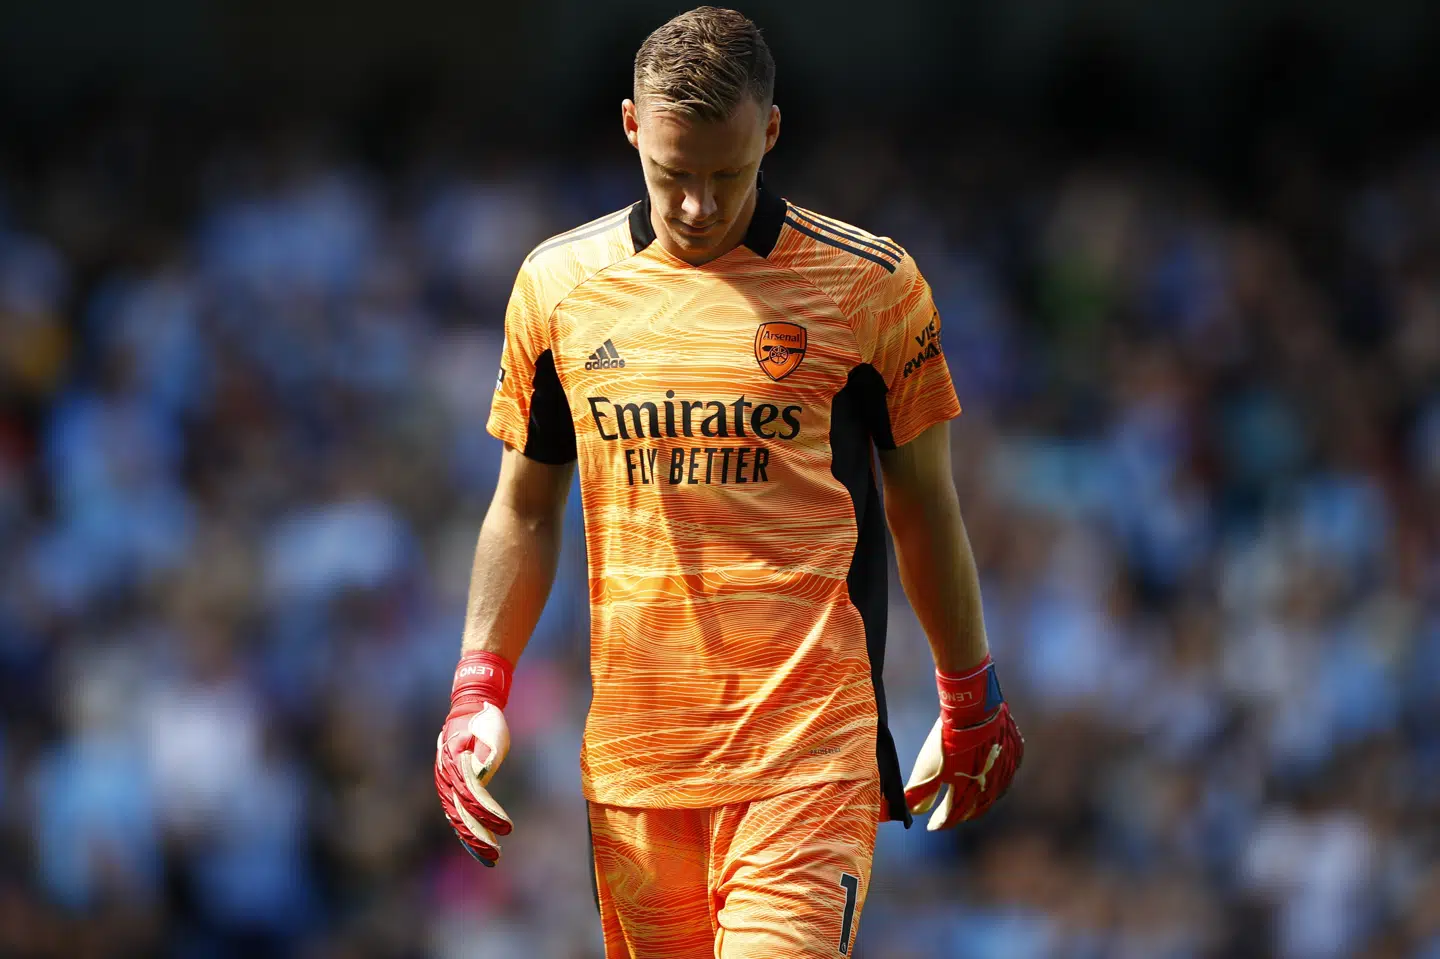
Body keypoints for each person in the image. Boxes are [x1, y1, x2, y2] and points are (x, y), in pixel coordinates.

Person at [433, 7, 1024, 956]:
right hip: (635, 772)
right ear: (631, 127)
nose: (700, 206)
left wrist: (969, 688)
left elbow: (923, 504)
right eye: (673, 176)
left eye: (728, 175)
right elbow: (525, 505)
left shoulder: (867, 286)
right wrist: (478, 685)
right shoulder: (557, 287)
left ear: (772, 134)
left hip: (807, 755)